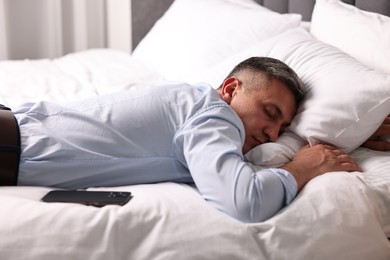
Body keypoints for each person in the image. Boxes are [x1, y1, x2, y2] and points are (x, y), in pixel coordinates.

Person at [0, 57, 385, 223]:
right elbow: (243, 200)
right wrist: (302, 167)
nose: (271, 133)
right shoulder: (214, 114)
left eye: (282, 128)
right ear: (231, 88)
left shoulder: (192, 103)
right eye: (269, 112)